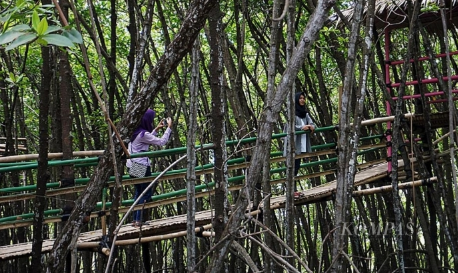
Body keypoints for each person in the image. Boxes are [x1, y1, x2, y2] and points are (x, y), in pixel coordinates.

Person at [127, 108, 172, 227]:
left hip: (132, 164)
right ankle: (139, 220)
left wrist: (156, 129)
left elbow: (145, 139)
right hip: (141, 165)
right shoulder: (143, 134)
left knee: (138, 191)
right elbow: (162, 142)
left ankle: (135, 220)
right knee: (145, 193)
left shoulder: (135, 132)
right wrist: (169, 128)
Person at [284, 92, 315, 196]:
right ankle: (291, 191)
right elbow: (290, 126)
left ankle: (293, 190)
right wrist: (302, 127)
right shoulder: (291, 113)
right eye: (300, 98)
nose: (302, 100)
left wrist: (310, 126)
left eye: (303, 98)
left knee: (296, 167)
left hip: (302, 145)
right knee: (292, 167)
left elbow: (312, 123)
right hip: (293, 145)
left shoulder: (305, 114)